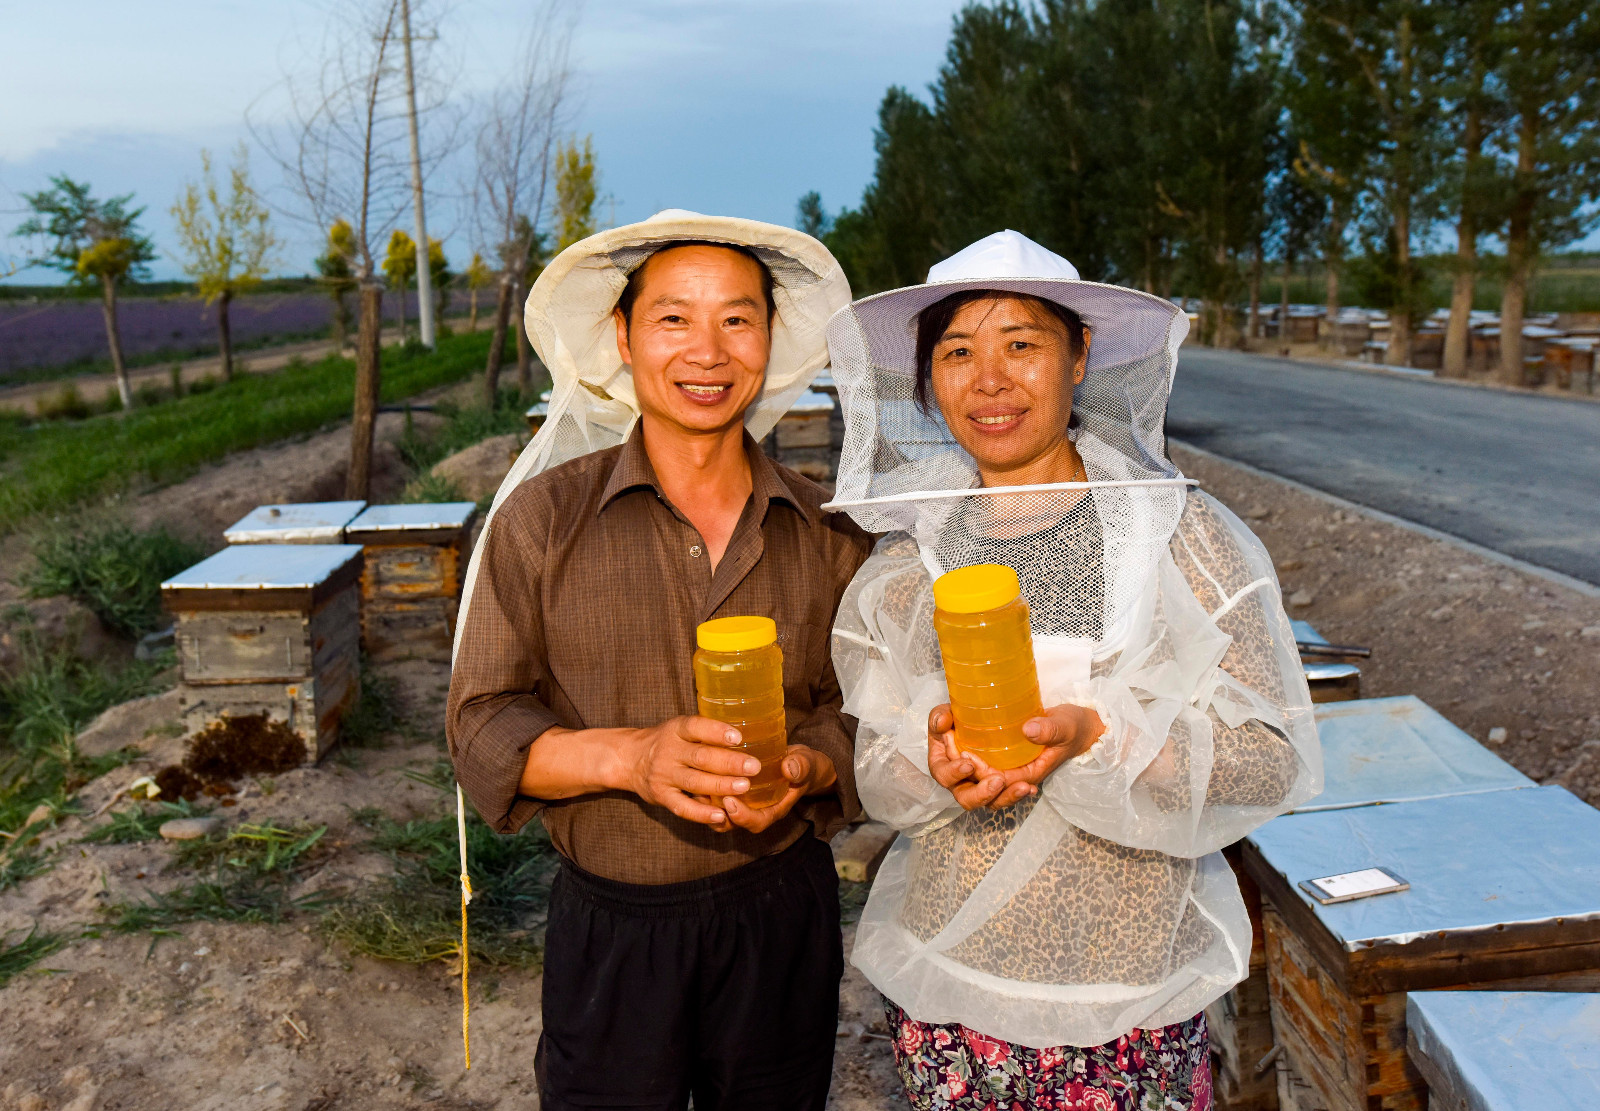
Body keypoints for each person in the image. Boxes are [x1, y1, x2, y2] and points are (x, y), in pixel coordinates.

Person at [824, 230, 1322, 1110]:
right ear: (928, 381)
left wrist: (1101, 737)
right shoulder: (907, 566)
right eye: (957, 352)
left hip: (1132, 1007)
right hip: (955, 1003)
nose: (990, 380)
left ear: (1081, 355)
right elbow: (879, 770)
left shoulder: (1183, 539)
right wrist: (929, 761)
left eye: (1022, 344)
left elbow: (1272, 757)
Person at [446, 210, 869, 1111]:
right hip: (615, 927)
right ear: (623, 336)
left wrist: (807, 761)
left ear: (769, 338)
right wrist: (630, 757)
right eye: (673, 317)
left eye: (736, 318)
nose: (707, 351)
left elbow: (860, 707)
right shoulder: (542, 522)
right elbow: (481, 720)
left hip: (780, 915)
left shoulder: (828, 532)